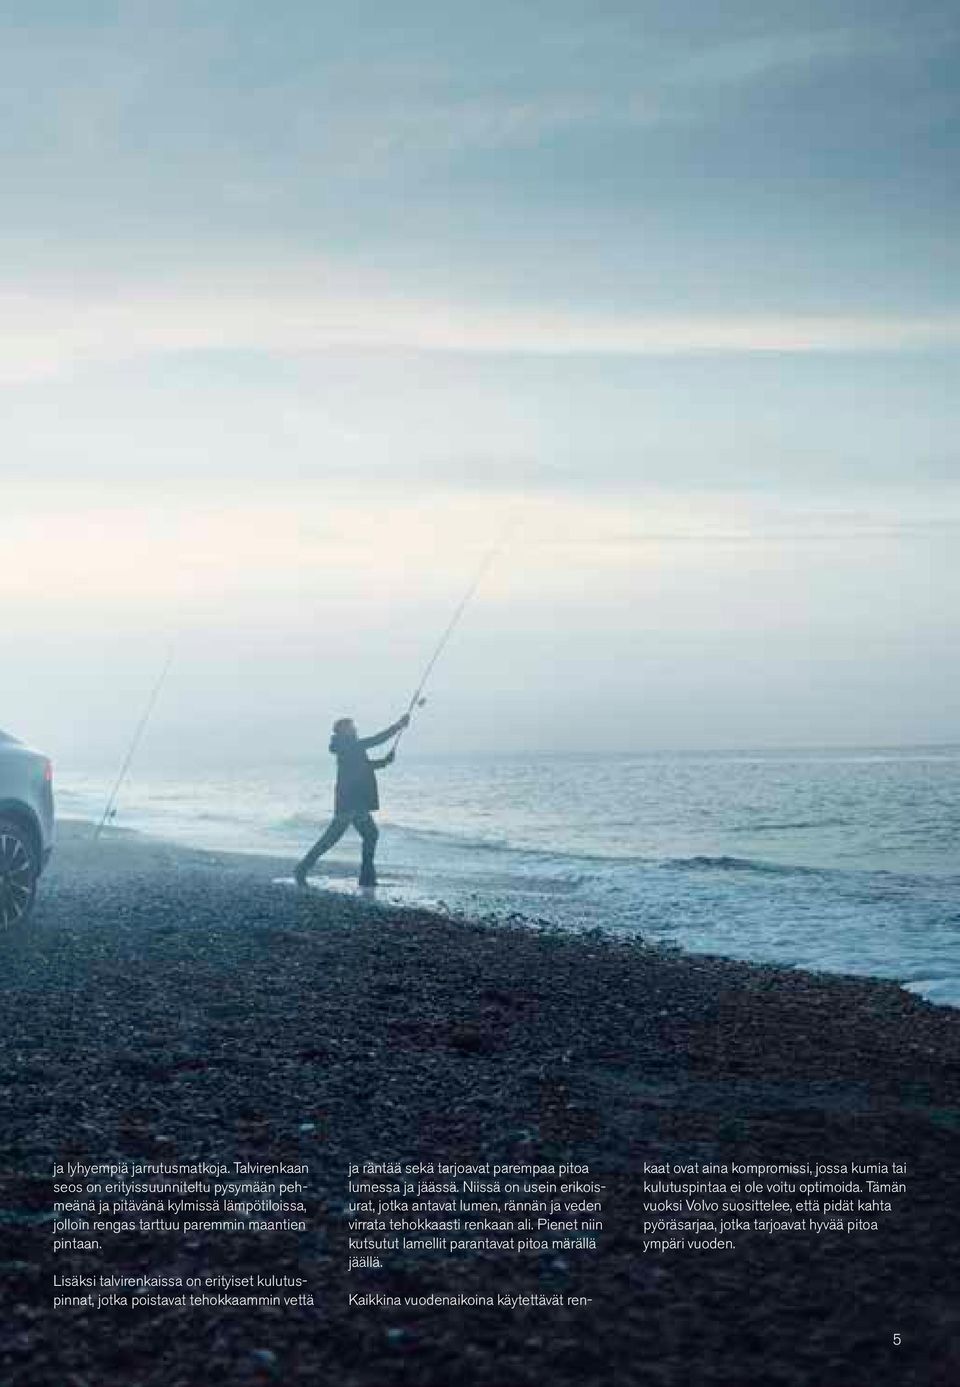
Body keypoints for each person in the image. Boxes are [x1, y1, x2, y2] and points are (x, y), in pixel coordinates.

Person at [294, 712, 410, 889]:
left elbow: (363, 766)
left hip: (355, 801)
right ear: (342, 731)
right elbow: (376, 740)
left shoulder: (350, 747)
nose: (354, 728)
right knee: (333, 839)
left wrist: (384, 762)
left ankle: (366, 877)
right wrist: (398, 725)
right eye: (350, 726)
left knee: (368, 834)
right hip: (350, 801)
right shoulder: (347, 746)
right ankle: (303, 868)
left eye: (353, 726)